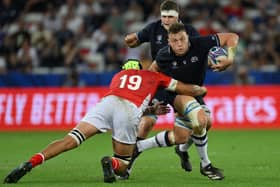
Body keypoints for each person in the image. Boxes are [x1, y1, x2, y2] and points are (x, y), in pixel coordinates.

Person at [3, 59, 207, 184]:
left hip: (106, 103)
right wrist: (199, 90)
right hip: (128, 110)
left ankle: (31, 162)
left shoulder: (118, 76)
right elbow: (181, 88)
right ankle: (111, 162)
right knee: (124, 165)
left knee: (69, 140)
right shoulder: (153, 76)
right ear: (140, 67)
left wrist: (150, 109)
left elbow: (125, 95)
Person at [127, 23, 239, 180]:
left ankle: (142, 147)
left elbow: (232, 37)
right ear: (168, 41)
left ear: (188, 37)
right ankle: (206, 165)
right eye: (174, 41)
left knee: (194, 129)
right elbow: (151, 75)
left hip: (194, 92)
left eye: (182, 39)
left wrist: (230, 58)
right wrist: (151, 101)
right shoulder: (164, 55)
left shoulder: (200, 44)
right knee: (199, 120)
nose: (179, 44)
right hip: (174, 93)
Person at [125, 0, 202, 175]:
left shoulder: (190, 32)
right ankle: (128, 163)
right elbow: (135, 40)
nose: (166, 20)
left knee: (198, 125)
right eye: (164, 17)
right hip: (160, 84)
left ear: (178, 17)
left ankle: (182, 149)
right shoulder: (153, 28)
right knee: (146, 123)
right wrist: (130, 39)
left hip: (183, 86)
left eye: (170, 17)